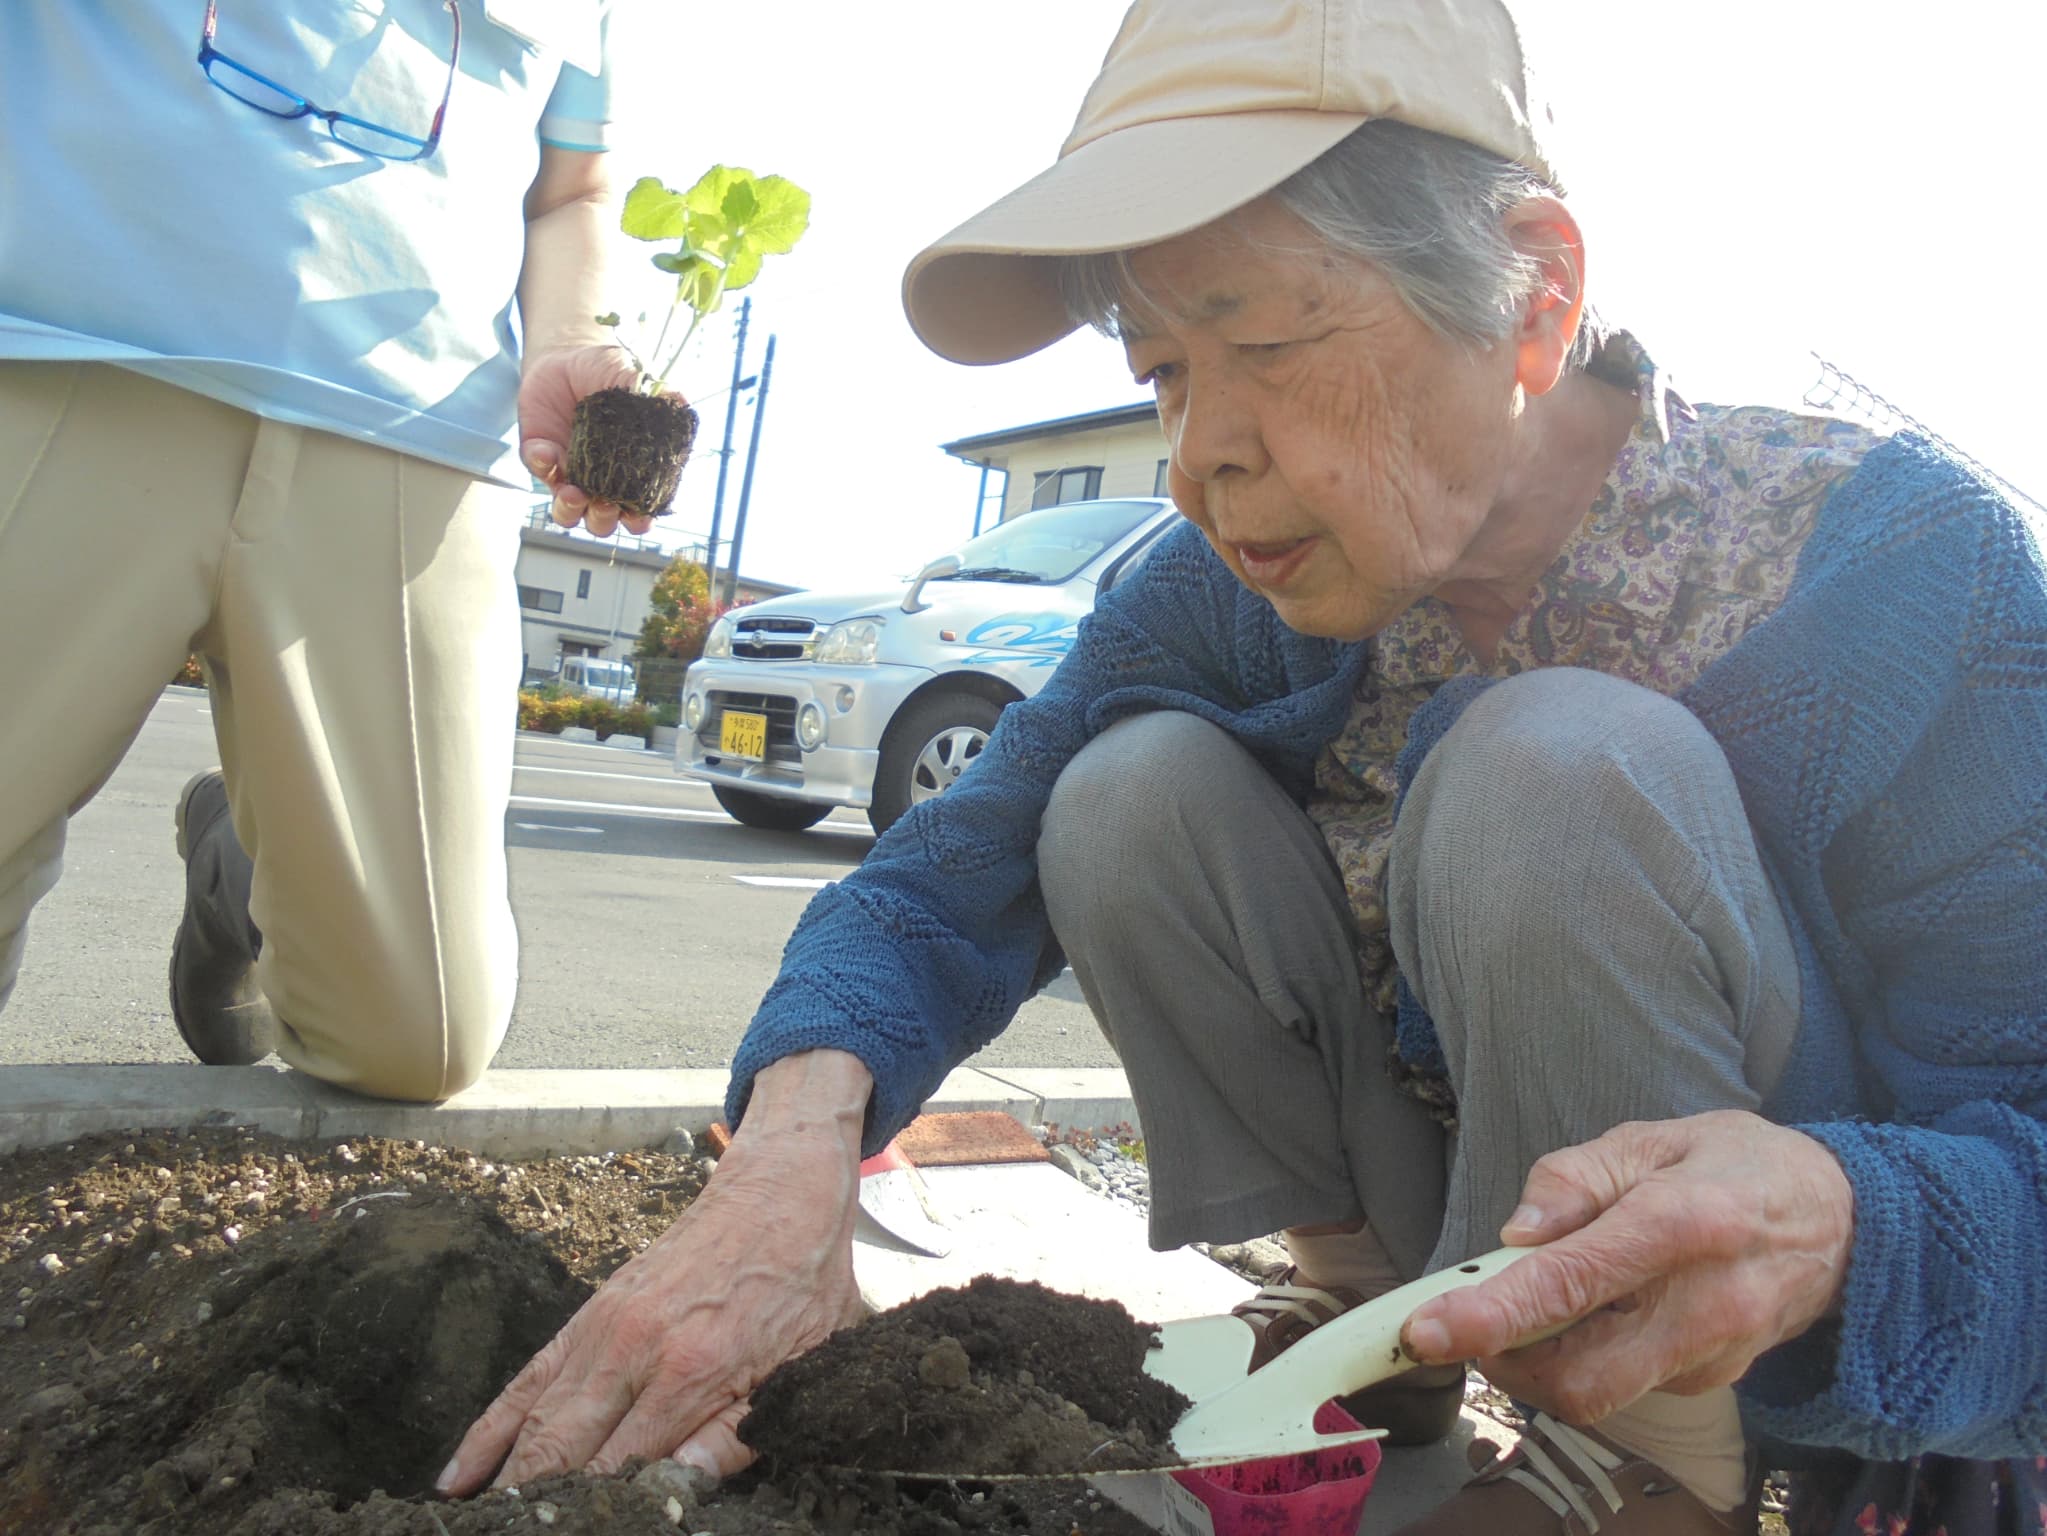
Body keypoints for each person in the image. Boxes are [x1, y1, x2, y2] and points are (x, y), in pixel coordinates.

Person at [444, 1, 2047, 1530]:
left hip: (1741, 1327)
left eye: (1267, 343)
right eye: (1161, 374)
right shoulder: (1215, 592)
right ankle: (1369, 1315)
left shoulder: (1902, 572)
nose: (1197, 455)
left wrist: (1848, 1226)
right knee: (1118, 793)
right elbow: (950, 870)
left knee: (1552, 767)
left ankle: (1649, 1463)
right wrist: (788, 1161)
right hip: (1446, 1203)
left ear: (1534, 298)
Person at [0, 2, 653, 1099]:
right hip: (63, 354)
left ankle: (243, 867)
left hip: (411, 436)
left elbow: (571, 189)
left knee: (415, 1043)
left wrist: (568, 339)